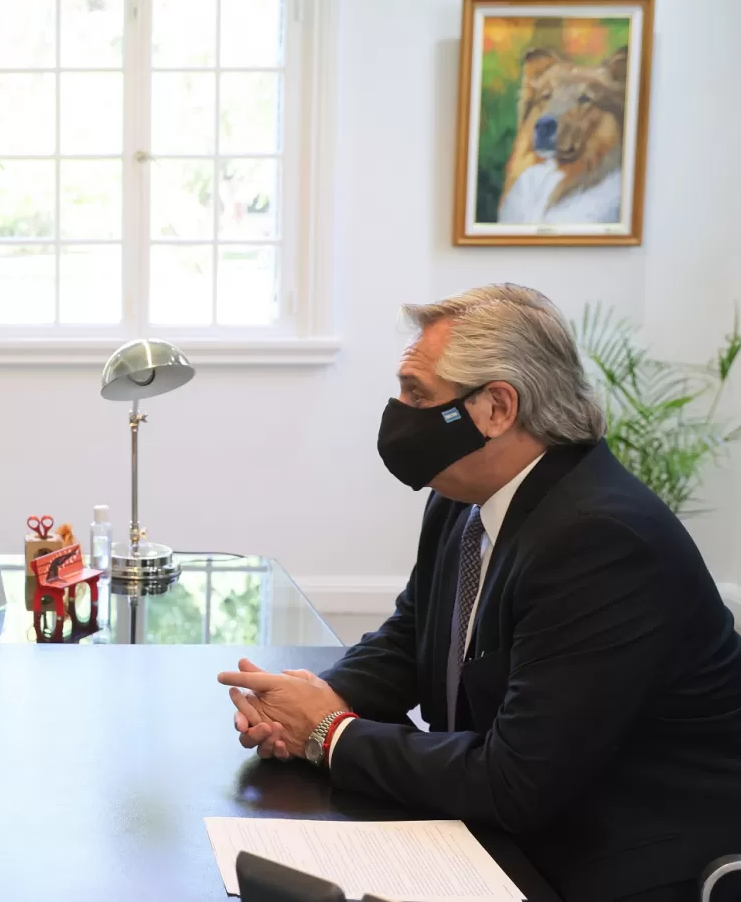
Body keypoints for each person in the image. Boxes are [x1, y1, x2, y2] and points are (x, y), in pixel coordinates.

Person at [219, 285, 741, 902]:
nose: (398, 411)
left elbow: (515, 780)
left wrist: (328, 733)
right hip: (506, 833)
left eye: (418, 394)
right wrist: (314, 700)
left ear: (497, 407)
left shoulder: (601, 539)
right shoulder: (462, 500)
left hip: (611, 862)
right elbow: (413, 635)